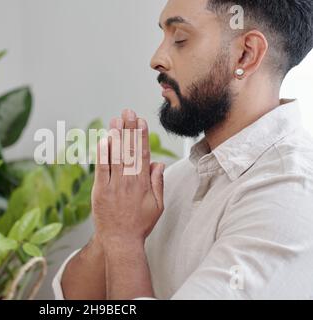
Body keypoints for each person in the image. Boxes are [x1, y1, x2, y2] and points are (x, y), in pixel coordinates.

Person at [53, 0, 313, 299]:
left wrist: (124, 242)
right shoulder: (176, 180)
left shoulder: (292, 195)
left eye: (180, 39)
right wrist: (110, 233)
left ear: (246, 54)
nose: (156, 59)